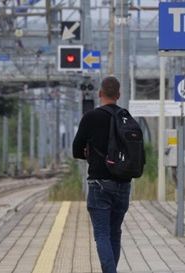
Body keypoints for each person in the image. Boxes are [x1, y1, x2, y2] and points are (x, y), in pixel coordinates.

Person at [72, 76, 132, 273]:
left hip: (100, 184)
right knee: (115, 233)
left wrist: (89, 153)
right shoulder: (126, 117)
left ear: (99, 94)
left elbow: (76, 150)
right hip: (123, 184)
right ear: (118, 95)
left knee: (102, 234)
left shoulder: (91, 117)